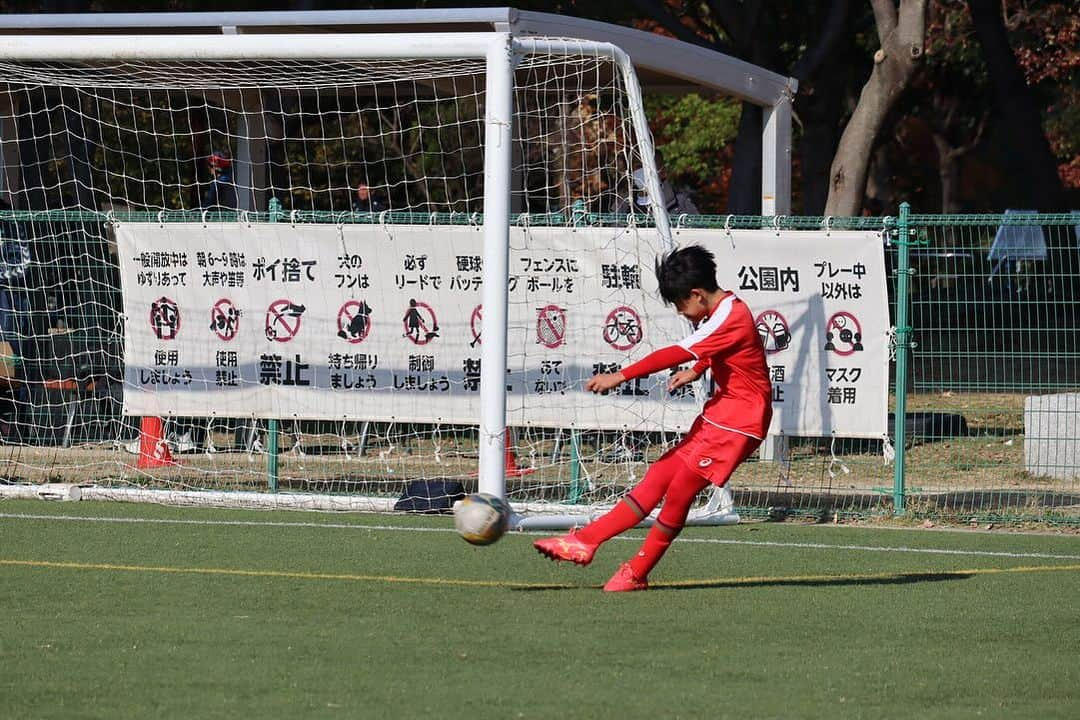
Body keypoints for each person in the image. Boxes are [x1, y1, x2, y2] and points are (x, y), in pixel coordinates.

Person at [533, 244, 772, 592]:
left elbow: (674, 351)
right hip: (723, 414)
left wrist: (620, 375)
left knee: (679, 492)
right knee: (660, 474)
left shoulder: (729, 315)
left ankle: (636, 571)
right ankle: (585, 541)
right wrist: (699, 369)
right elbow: (726, 348)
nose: (681, 312)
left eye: (680, 305)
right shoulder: (720, 312)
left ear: (697, 294)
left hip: (739, 423)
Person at [618, 167, 699, 217]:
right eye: (639, 166)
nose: (644, 170)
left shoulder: (680, 202)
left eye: (649, 165)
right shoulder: (622, 204)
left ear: (662, 171)